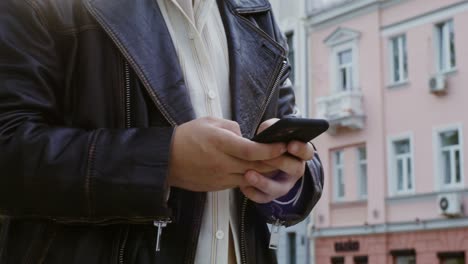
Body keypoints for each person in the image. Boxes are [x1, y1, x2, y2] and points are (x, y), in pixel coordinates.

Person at [0, 0, 324, 263]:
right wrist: (163, 162)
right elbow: (8, 149)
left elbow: (305, 169)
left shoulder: (257, 12)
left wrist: (286, 179)